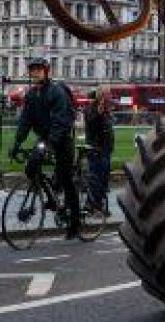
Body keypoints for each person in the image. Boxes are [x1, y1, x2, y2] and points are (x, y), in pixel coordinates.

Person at [11, 58, 79, 239]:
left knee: (66, 178)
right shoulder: (32, 95)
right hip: (45, 139)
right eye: (32, 70)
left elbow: (60, 121)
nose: (35, 73)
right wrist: (17, 143)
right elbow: (25, 121)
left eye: (38, 70)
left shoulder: (56, 92)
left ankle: (75, 222)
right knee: (31, 166)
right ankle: (50, 197)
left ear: (46, 71)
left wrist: (50, 143)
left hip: (62, 139)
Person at [83, 87, 114, 216]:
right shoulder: (91, 109)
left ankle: (97, 205)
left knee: (103, 179)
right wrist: (98, 114)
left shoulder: (106, 109)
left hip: (105, 149)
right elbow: (91, 125)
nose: (111, 97)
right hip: (96, 149)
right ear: (102, 96)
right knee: (96, 178)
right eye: (108, 95)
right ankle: (93, 206)